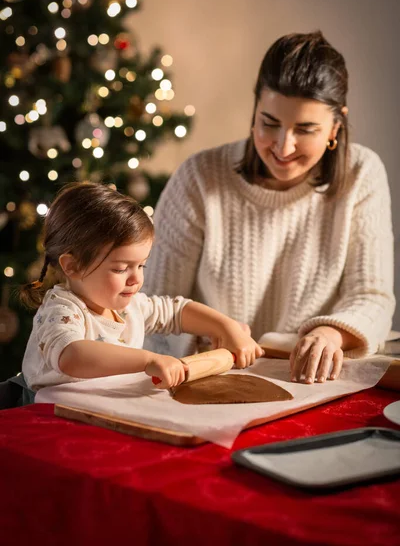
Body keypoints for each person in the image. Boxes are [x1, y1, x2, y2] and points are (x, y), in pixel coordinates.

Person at [143, 30, 396, 385]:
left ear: (336, 126)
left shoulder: (362, 174)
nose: (283, 146)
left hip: (309, 384)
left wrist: (330, 334)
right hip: (206, 381)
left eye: (305, 129)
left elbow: (371, 296)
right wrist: (202, 341)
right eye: (269, 123)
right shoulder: (199, 177)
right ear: (255, 111)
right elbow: (152, 308)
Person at [20, 182, 263, 394]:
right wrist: (149, 360)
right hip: (46, 417)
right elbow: (72, 356)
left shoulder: (131, 306)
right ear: (73, 266)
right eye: (120, 269)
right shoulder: (61, 309)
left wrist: (225, 327)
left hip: (98, 413)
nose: (136, 279)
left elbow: (177, 312)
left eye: (142, 266)